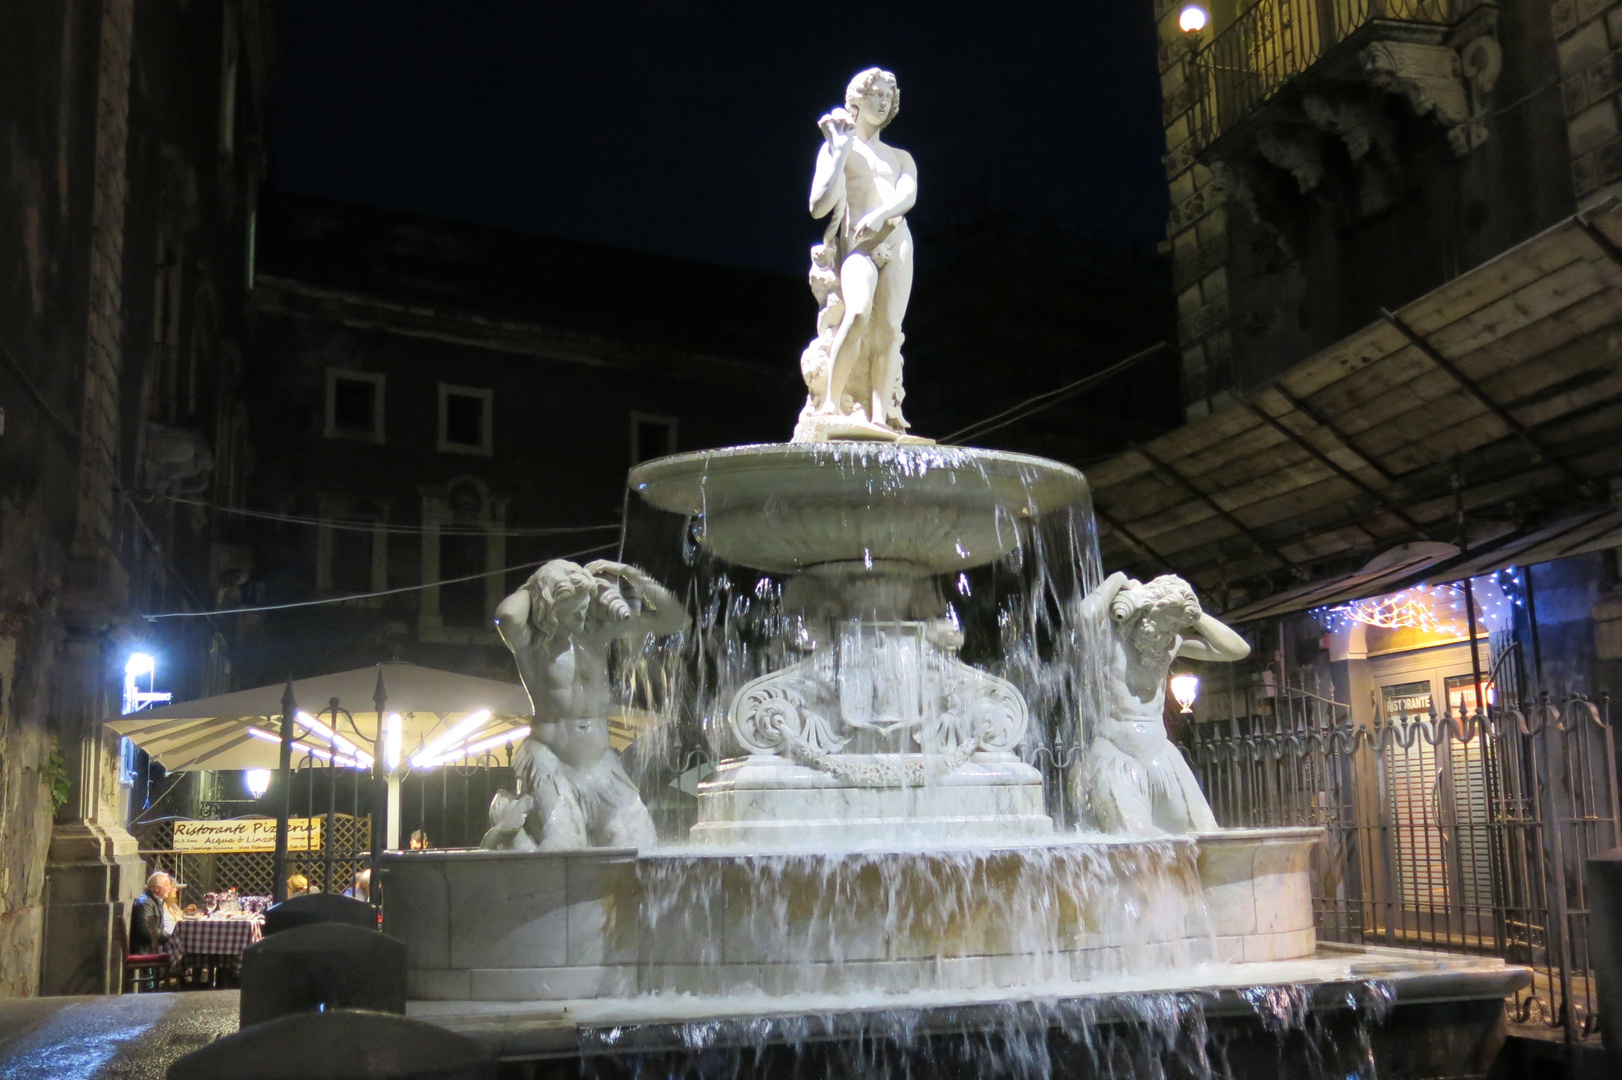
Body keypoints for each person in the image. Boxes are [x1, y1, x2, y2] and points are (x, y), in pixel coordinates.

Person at [483, 558, 688, 851]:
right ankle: (513, 835)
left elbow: (677, 620)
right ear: (551, 608)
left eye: (584, 606)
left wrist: (632, 574)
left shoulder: (596, 634)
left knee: (639, 842)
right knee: (564, 846)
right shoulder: (530, 643)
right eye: (574, 611)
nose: (583, 616)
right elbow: (508, 615)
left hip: (600, 762)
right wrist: (537, 584)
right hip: (550, 759)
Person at [795, 67, 919, 442]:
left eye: (887, 97)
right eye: (874, 95)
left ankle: (881, 417)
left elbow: (908, 197)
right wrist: (836, 151)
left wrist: (881, 214)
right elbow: (819, 205)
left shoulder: (901, 157)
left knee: (889, 332)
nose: (882, 102)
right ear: (857, 100)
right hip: (857, 247)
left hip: (896, 242)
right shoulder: (841, 146)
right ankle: (830, 405)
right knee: (859, 312)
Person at [1076, 572, 1250, 835]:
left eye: (1176, 627)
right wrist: (1118, 580)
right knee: (1139, 845)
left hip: (1162, 755)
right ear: (1147, 612)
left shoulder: (1172, 643)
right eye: (1167, 624)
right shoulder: (1109, 639)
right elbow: (1086, 615)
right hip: (1116, 754)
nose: (1171, 634)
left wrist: (1197, 616)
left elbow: (1237, 650)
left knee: (1205, 835)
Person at [129, 871, 182, 954]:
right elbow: (147, 930)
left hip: (156, 948)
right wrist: (171, 937)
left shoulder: (156, 901)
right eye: (167, 885)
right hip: (146, 951)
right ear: (157, 888)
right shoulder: (145, 903)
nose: (169, 888)